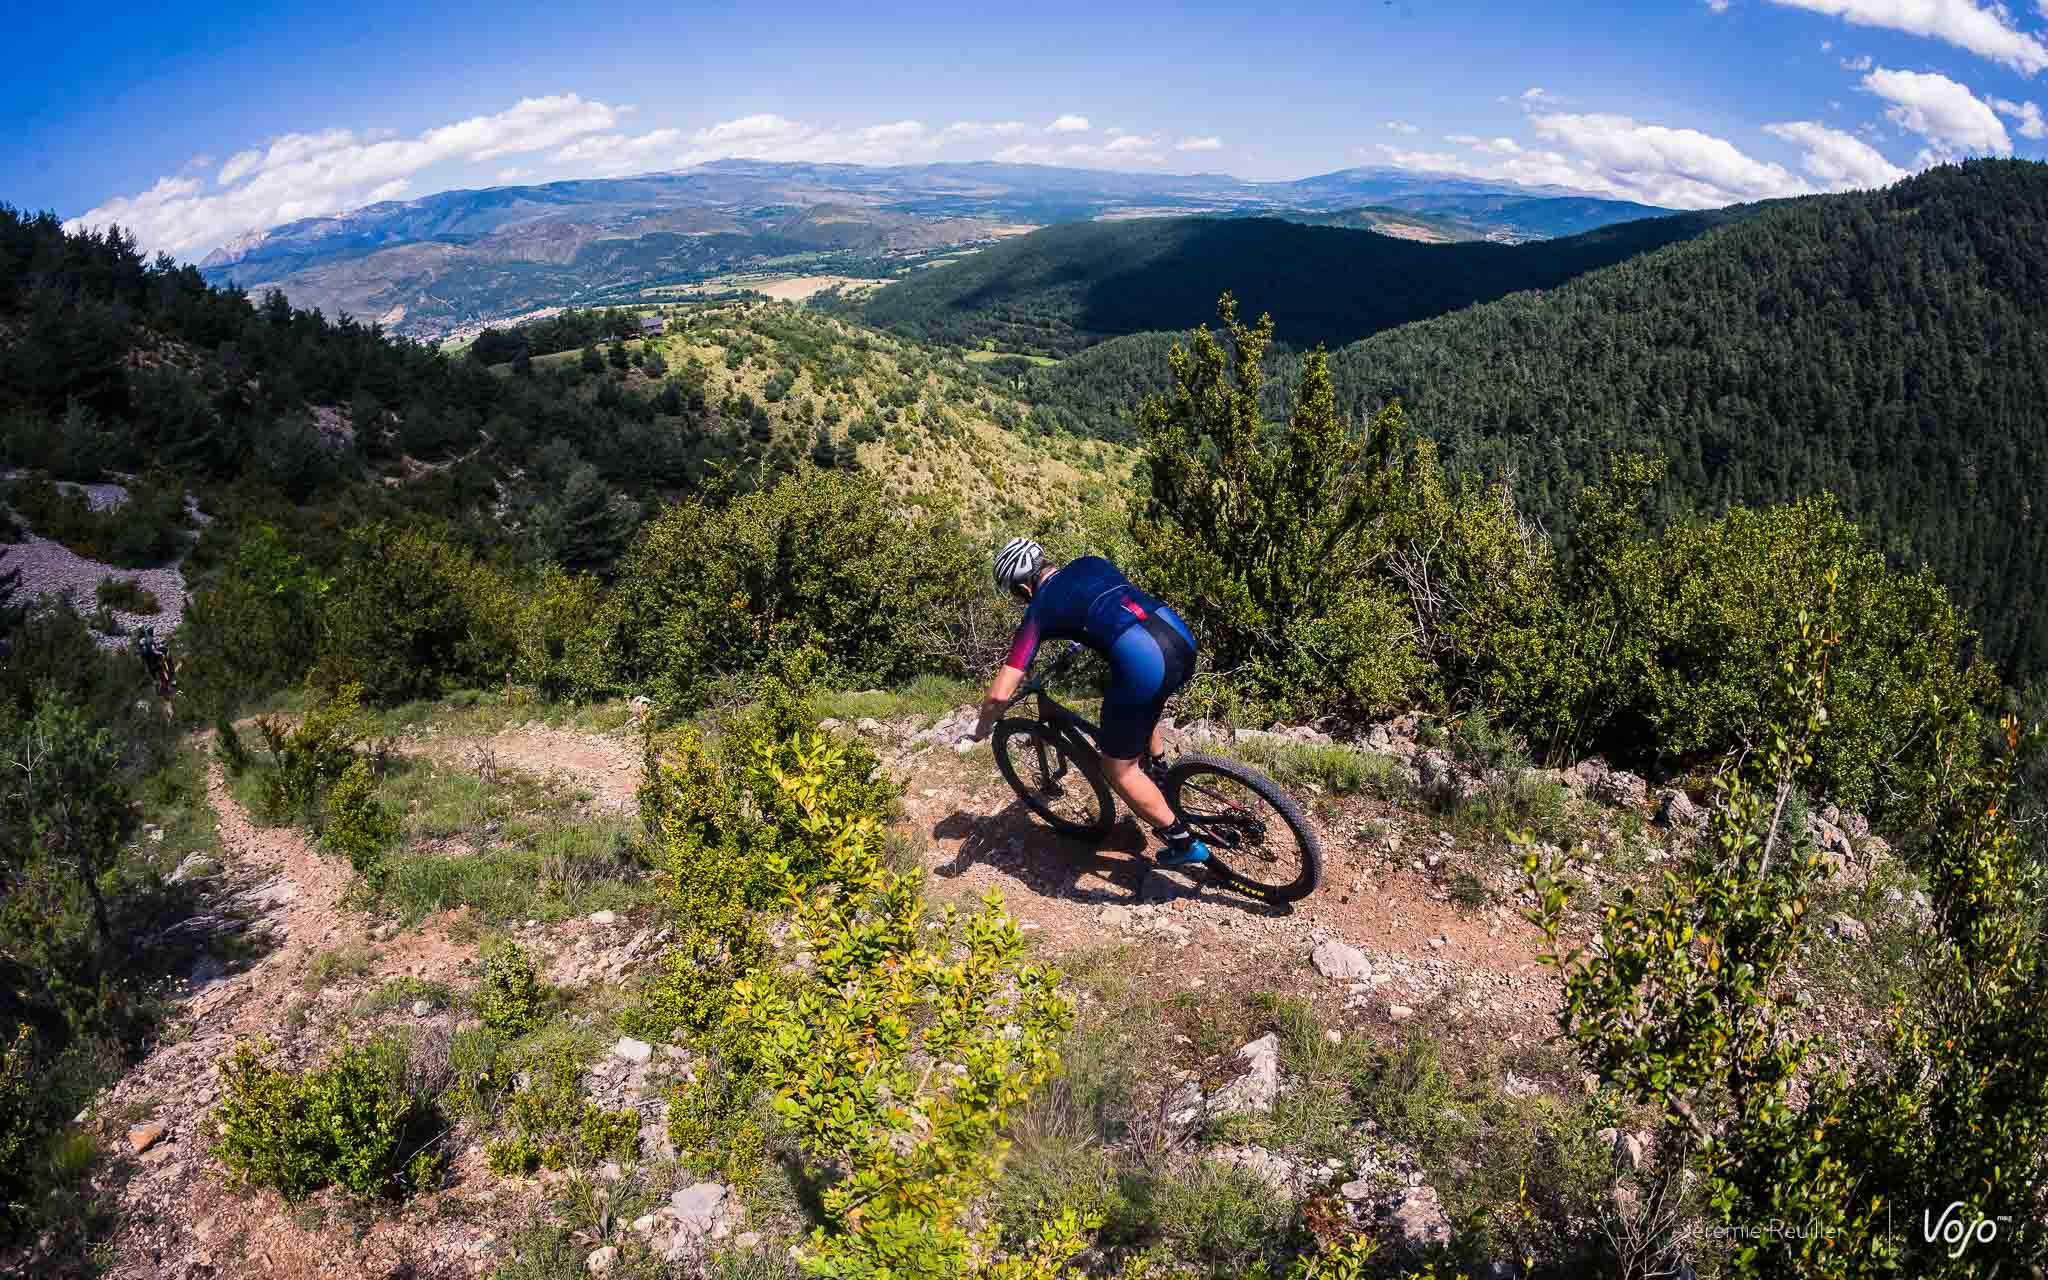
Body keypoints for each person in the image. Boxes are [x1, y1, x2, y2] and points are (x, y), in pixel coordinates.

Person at [970, 537, 1209, 868]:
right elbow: (1107, 604)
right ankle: (1159, 768)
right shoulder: (1090, 562)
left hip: (1145, 661)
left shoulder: (1038, 610)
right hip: (1176, 635)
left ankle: (1183, 843)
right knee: (1140, 700)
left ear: (1024, 588)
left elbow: (999, 694)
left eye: (1015, 593)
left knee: (1117, 768)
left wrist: (982, 727)